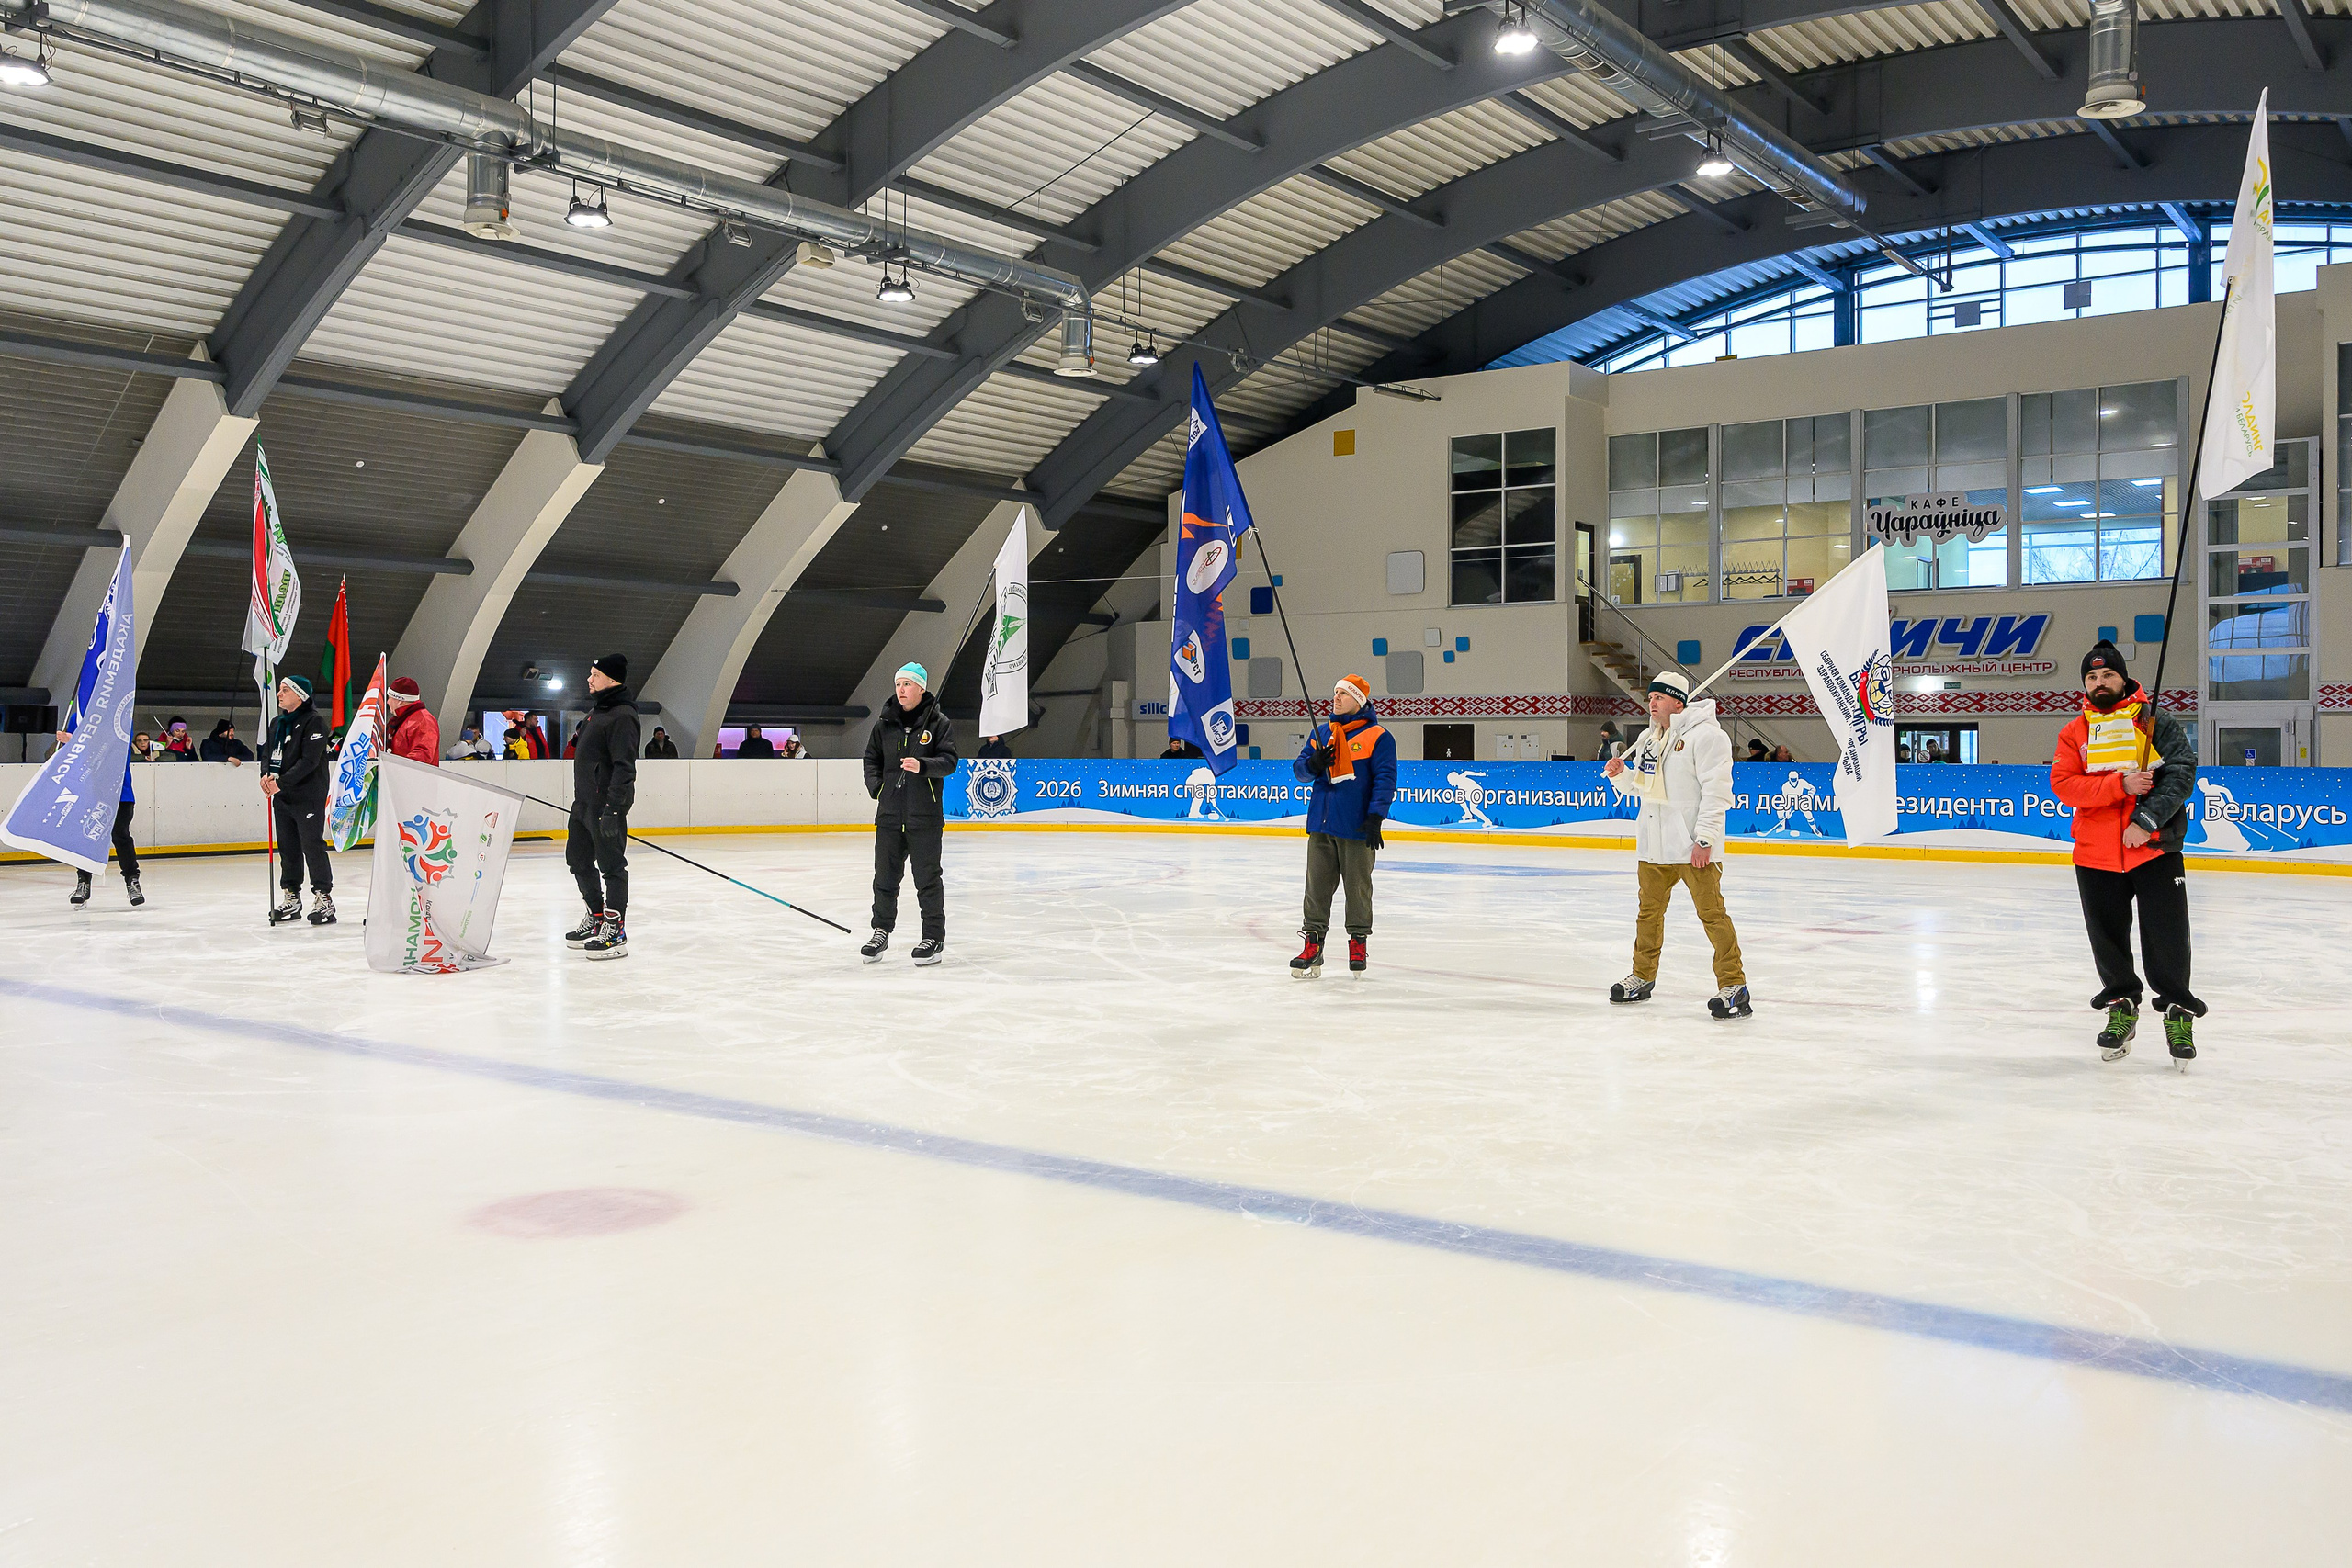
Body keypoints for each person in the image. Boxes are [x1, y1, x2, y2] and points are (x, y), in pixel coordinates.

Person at [2050, 640, 2202, 1066]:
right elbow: (2064, 785)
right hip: (2095, 855)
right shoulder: (2074, 732)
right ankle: (2121, 1004)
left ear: (2123, 678)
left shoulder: (2155, 723)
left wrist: (2146, 821)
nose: (2100, 683)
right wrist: (2119, 786)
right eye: (2092, 677)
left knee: (2168, 938)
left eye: (2108, 675)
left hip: (2153, 851)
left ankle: (2177, 1011)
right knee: (2107, 939)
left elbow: (2181, 774)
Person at [1604, 670, 1748, 1018]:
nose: (1651, 702)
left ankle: (1734, 985)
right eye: (1650, 698)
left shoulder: (1708, 738)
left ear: (1678, 702)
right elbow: (1642, 786)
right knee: (1647, 916)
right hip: (1654, 846)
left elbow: (1717, 793)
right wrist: (1620, 775)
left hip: (1692, 847)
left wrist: (1704, 839)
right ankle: (1642, 977)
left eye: (1659, 698)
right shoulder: (1651, 739)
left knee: (1712, 914)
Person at [1288, 673, 1396, 980]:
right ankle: (1313, 944)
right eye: (1335, 692)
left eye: (1344, 694)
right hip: (1322, 825)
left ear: (1359, 701)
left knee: (1358, 888)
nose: (1336, 697)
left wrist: (1376, 816)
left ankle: (1358, 943)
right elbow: (1299, 771)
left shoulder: (1379, 737)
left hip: (1357, 826)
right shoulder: (1323, 733)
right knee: (1316, 889)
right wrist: (1313, 765)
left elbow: (1385, 779)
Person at [860, 662, 956, 965]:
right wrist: (879, 790)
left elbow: (950, 761)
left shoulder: (938, 723)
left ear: (921, 688)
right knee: (884, 879)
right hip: (889, 815)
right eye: (898, 683)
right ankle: (880, 931)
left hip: (924, 817)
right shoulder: (883, 725)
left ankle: (933, 936)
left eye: (907, 684)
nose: (901, 689)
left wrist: (923, 766)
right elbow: (871, 760)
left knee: (927, 879)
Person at [563, 655, 640, 961]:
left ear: (611, 679)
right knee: (577, 860)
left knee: (612, 866)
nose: (589, 679)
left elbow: (624, 767)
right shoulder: (598, 712)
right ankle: (596, 915)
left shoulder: (623, 716)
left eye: (595, 674)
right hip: (583, 802)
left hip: (605, 805)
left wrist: (614, 809)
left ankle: (615, 927)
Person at [53, 670, 142, 912]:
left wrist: (75, 741)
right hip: (87, 790)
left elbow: (114, 749)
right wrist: (62, 747)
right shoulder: (77, 719)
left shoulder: (121, 716)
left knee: (120, 835)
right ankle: (83, 882)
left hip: (119, 791)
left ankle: (132, 881)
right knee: (86, 837)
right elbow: (69, 757)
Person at [260, 675, 335, 926]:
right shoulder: (276, 723)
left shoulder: (315, 723)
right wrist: (265, 776)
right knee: (288, 847)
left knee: (311, 845)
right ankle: (291, 895)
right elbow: (267, 753)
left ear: (299, 695)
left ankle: (324, 897)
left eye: (284, 690)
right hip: (282, 797)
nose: (279, 695)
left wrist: (280, 782)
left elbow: (309, 761)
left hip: (307, 796)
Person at [385, 677, 439, 765]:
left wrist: (396, 767)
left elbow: (423, 754)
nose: (388, 702)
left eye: (390, 698)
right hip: (402, 775)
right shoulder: (400, 721)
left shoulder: (423, 721)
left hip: (414, 777)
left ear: (400, 701)